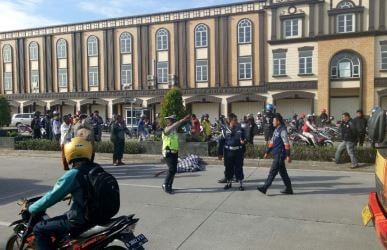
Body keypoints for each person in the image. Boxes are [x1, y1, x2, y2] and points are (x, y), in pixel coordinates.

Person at [26, 137, 96, 249]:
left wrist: (31, 208)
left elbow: (52, 197)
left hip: (82, 219)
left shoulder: (73, 174)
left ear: (69, 153)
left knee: (39, 228)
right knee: (64, 216)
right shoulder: (97, 169)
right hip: (99, 216)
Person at [257, 113, 293, 195]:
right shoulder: (276, 129)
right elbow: (272, 142)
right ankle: (289, 189)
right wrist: (267, 152)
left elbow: (286, 143)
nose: (272, 122)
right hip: (276, 153)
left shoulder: (282, 130)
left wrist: (288, 155)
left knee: (273, 171)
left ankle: (265, 187)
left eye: (274, 120)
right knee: (283, 173)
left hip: (280, 154)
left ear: (278, 121)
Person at [162, 114, 191, 194]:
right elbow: (174, 126)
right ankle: (165, 184)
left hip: (175, 152)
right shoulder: (166, 130)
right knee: (171, 169)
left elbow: (178, 125)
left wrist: (184, 120)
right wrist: (182, 120)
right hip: (168, 153)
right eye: (169, 120)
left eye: (172, 120)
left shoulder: (174, 130)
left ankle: (170, 185)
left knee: (174, 170)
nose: (170, 121)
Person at [218, 113, 247, 191]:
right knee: (228, 168)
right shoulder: (225, 130)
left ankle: (240, 184)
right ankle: (229, 183)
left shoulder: (240, 129)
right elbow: (221, 142)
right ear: (230, 121)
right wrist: (220, 153)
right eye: (235, 120)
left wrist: (243, 142)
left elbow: (245, 140)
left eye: (236, 120)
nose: (237, 121)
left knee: (239, 168)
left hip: (238, 152)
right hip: (228, 152)